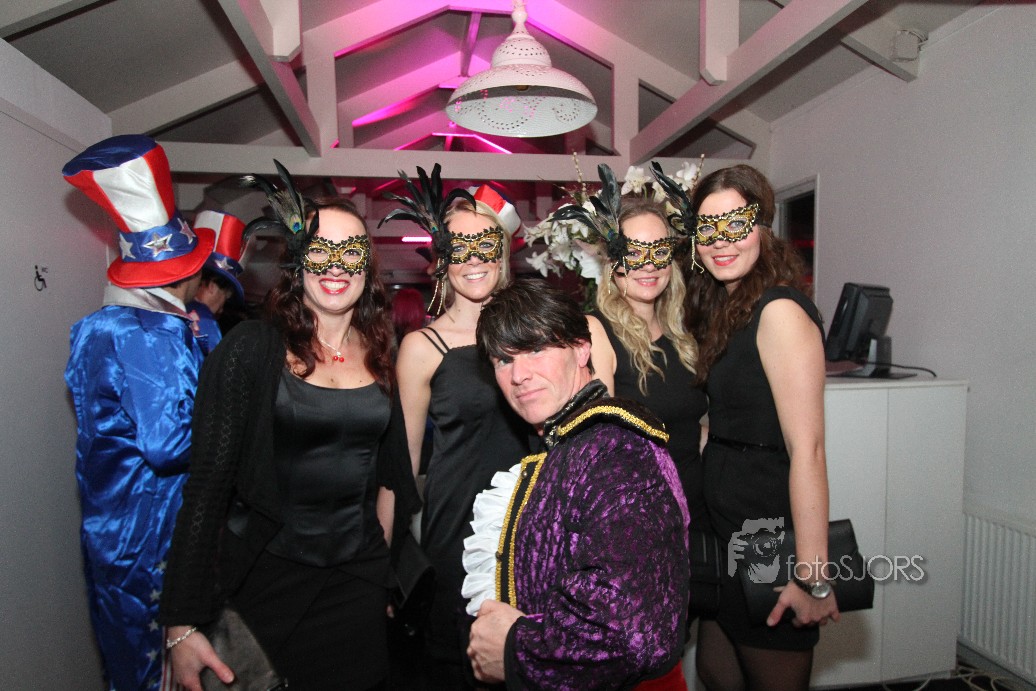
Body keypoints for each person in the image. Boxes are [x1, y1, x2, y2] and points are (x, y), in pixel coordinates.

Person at [159, 162, 418, 691]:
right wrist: (180, 623)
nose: (336, 265)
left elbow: (391, 477)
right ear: (297, 262)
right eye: (320, 250)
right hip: (269, 576)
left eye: (351, 252)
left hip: (357, 582)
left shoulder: (381, 355)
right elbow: (205, 487)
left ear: (368, 268)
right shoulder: (251, 349)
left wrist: (382, 574)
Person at [464, 279, 690, 690]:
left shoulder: (616, 449)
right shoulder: (575, 442)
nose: (519, 375)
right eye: (503, 360)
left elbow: (635, 635)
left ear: (582, 349)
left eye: (536, 349)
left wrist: (517, 649)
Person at [61, 134, 216, 690]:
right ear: (185, 272)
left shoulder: (98, 325)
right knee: (162, 672)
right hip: (151, 532)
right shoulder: (150, 332)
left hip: (113, 527)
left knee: (127, 664)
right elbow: (170, 443)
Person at [676, 164, 838, 691]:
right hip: (725, 529)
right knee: (716, 672)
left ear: (764, 227)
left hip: (765, 532)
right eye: (708, 228)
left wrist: (812, 575)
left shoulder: (779, 311)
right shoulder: (731, 306)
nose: (720, 241)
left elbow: (808, 449)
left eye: (736, 224)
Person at [386, 169, 533, 687]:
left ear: (503, 253)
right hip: (457, 535)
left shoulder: (534, 335)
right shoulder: (421, 348)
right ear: (442, 260)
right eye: (459, 247)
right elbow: (400, 465)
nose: (473, 259)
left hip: (533, 529)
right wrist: (387, 560)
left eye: (485, 245)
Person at [560, 164, 712, 619]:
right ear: (612, 261)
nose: (648, 265)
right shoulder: (595, 330)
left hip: (696, 512)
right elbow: (598, 448)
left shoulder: (684, 331)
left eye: (658, 250)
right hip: (640, 526)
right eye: (633, 252)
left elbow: (698, 423)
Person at [185, 210, 250, 355]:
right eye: (224, 298)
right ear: (212, 286)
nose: (221, 309)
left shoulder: (176, 307)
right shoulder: (205, 320)